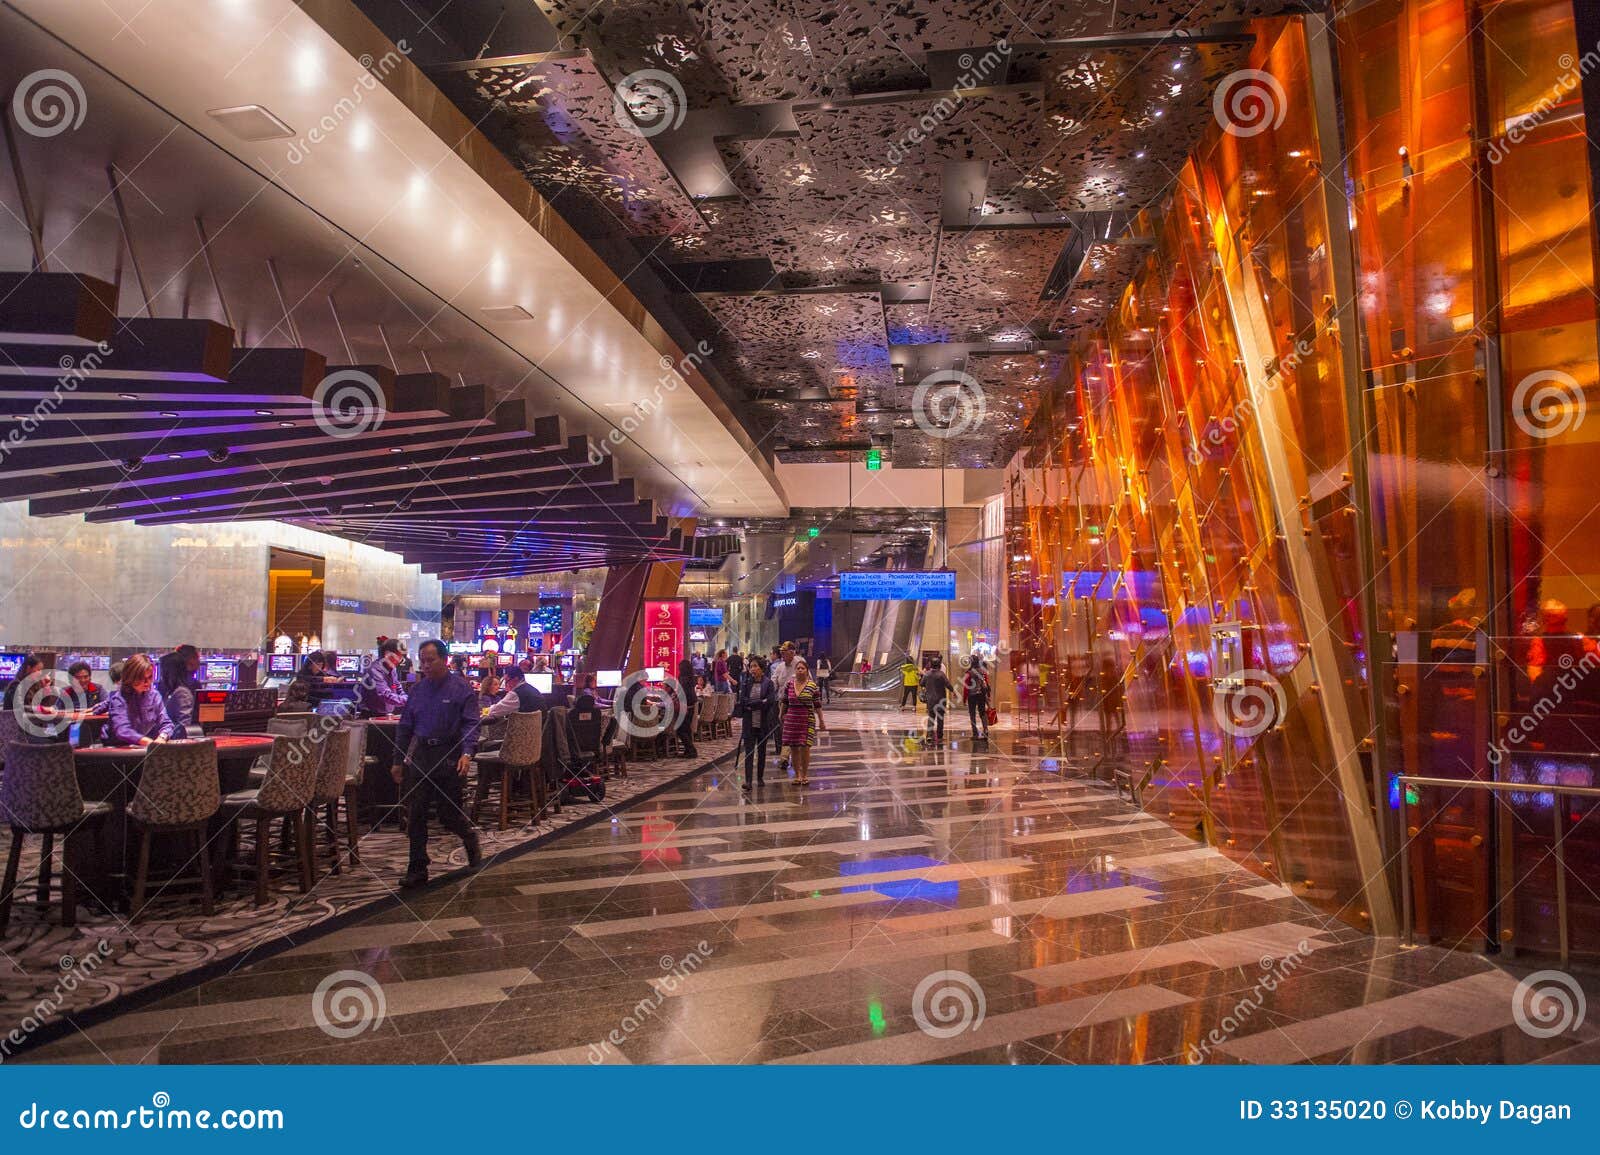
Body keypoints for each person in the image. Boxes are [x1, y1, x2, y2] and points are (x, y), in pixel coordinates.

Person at [391, 638, 482, 889]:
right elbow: (405, 727)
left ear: (444, 660)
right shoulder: (418, 690)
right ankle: (417, 867)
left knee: (448, 814)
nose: (426, 665)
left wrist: (467, 753)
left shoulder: (461, 689)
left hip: (449, 755)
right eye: (423, 660)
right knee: (416, 813)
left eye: (431, 660)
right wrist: (398, 760)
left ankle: (469, 836)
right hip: (422, 755)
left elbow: (471, 724)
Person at [105, 653, 182, 747]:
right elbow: (122, 730)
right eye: (141, 678)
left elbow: (167, 724)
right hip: (117, 749)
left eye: (149, 677)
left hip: (143, 747)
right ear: (130, 677)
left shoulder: (154, 696)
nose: (147, 683)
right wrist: (149, 742)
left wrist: (162, 737)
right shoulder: (119, 699)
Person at [781, 656, 825, 786]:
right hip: (791, 718)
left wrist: (822, 721)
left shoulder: (812, 686)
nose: (800, 670)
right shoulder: (789, 684)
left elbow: (817, 705)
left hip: (807, 719)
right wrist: (781, 714)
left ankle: (805, 774)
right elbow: (784, 701)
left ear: (806, 671)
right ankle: (797, 775)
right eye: (798, 668)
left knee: (805, 747)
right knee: (794, 748)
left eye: (802, 668)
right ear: (795, 671)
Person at [737, 655, 777, 790]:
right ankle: (748, 780)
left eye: (755, 666)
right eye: (751, 666)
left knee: (762, 751)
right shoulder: (746, 683)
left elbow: (770, 701)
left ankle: (759, 777)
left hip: (763, 723)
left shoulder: (768, 683)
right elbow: (743, 701)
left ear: (762, 668)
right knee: (749, 752)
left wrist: (754, 704)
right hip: (749, 723)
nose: (752, 669)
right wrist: (759, 702)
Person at [359, 638, 409, 716]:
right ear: (387, 654)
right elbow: (384, 694)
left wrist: (406, 697)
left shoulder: (392, 669)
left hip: (385, 714)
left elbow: (397, 687)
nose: (399, 660)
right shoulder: (374, 669)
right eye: (398, 656)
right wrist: (408, 700)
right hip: (370, 716)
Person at [157, 651, 197, 732]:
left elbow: (184, 724)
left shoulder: (182, 693)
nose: (161, 674)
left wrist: (165, 735)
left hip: (175, 741)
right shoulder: (172, 691)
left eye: (163, 670)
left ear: (170, 671)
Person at [920, 656, 953, 745]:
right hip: (940, 700)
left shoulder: (927, 674)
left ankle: (930, 735)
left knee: (931, 717)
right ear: (939, 664)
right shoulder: (941, 674)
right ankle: (939, 736)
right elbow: (948, 685)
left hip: (930, 700)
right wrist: (953, 691)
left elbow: (921, 683)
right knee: (940, 718)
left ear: (931, 664)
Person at [770, 645, 794, 762]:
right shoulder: (779, 667)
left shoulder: (799, 664)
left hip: (795, 704)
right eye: (782, 653)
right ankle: (784, 755)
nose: (782, 655)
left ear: (792, 652)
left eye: (785, 653)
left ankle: (788, 756)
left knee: (791, 729)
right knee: (782, 728)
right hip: (781, 702)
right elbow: (773, 682)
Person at [675, 657, 699, 759]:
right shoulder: (691, 677)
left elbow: (682, 693)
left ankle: (692, 750)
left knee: (680, 729)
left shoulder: (683, 679)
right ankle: (688, 750)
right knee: (686, 729)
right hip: (691, 705)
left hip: (685, 706)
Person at [963, 655, 992, 740]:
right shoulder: (983, 672)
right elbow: (986, 684)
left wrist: (964, 699)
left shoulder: (968, 673)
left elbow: (966, 687)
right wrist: (988, 695)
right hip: (981, 695)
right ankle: (986, 730)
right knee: (982, 713)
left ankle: (975, 733)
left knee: (972, 714)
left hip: (972, 696)